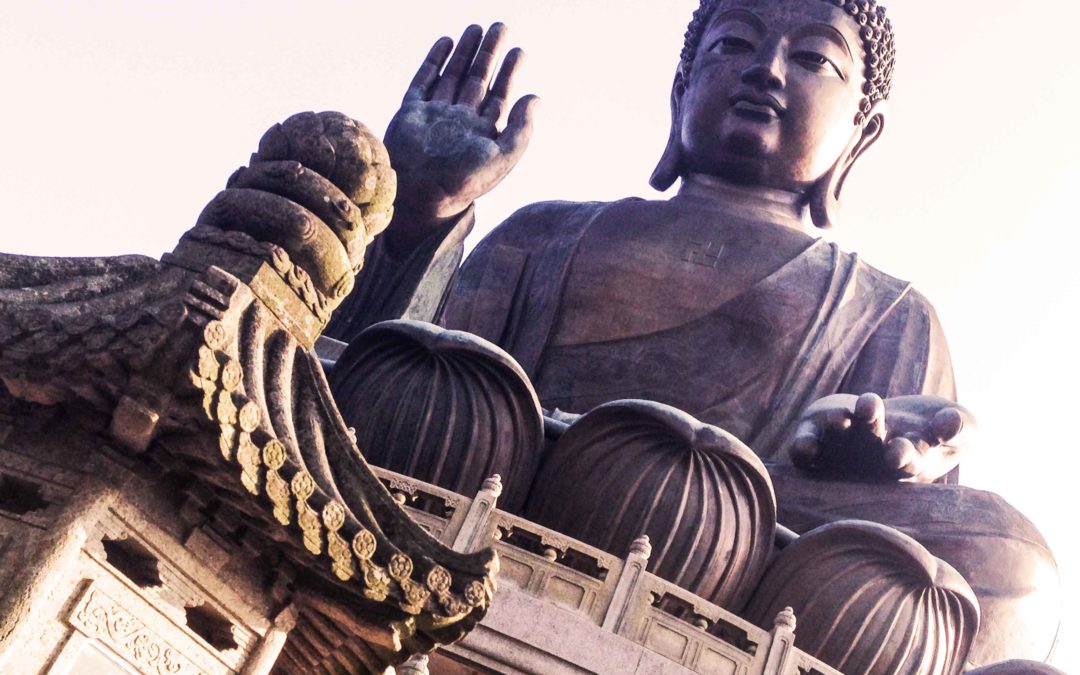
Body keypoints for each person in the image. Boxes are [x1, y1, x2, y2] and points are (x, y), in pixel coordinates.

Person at [324, 2, 1058, 665]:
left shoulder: (891, 311)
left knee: (1017, 567)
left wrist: (861, 467)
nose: (766, 71)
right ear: (680, 92)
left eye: (813, 59)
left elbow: (916, 555)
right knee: (421, 379)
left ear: (859, 135)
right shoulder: (546, 231)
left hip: (753, 555)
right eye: (734, 43)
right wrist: (417, 217)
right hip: (520, 479)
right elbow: (380, 374)